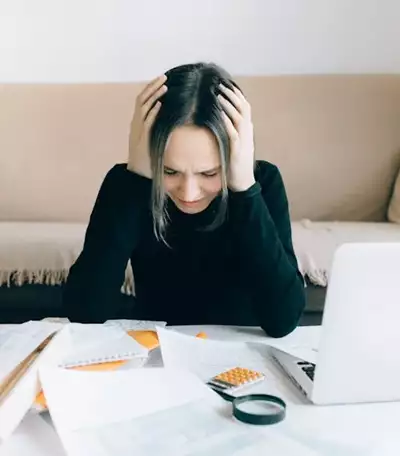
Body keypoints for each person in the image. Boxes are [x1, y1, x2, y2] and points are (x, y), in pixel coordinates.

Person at [63, 62, 306, 337]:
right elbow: (84, 312)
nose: (189, 193)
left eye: (209, 173)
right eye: (170, 171)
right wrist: (137, 178)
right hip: (156, 350)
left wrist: (244, 189)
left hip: (239, 353)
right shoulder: (128, 184)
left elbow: (283, 320)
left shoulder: (263, 182)